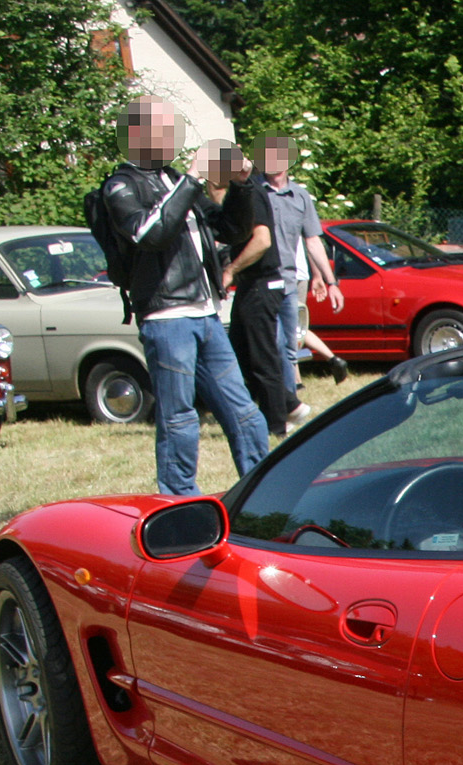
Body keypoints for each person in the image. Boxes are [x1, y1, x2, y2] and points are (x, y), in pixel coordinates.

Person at [96, 96, 269, 496]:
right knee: (179, 418)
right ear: (138, 134)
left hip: (206, 312)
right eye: (165, 127)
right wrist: (193, 177)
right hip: (167, 316)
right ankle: (179, 500)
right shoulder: (121, 185)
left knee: (244, 412)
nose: (175, 135)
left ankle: (261, 494)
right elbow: (150, 234)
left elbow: (230, 229)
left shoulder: (174, 180)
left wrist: (241, 184)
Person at [200, 142, 292, 436]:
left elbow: (262, 240)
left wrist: (231, 269)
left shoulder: (250, 193)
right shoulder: (243, 194)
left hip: (262, 283)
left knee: (261, 357)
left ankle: (277, 424)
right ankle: (285, 404)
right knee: (241, 352)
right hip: (252, 285)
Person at [260, 135, 345, 425]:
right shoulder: (253, 191)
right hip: (260, 282)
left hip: (288, 281)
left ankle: (286, 407)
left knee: (288, 343)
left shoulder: (300, 197)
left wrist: (330, 282)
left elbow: (313, 242)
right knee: (266, 345)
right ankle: (277, 405)